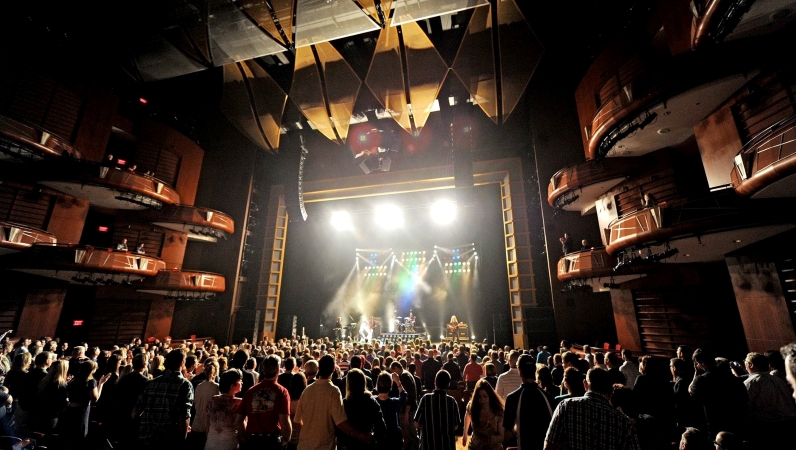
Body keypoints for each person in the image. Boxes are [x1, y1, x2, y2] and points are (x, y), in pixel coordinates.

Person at [544, 368, 640, 450]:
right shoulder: (623, 422)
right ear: (611, 391)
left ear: (585, 384)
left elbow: (549, 446)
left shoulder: (565, 406)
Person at [294, 354, 371, 450]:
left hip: (304, 446)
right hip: (324, 446)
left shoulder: (307, 390)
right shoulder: (333, 391)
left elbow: (297, 421)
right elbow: (341, 422)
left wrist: (308, 436)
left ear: (319, 368)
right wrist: (362, 436)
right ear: (334, 369)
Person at [134, 349, 195, 448]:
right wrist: (182, 440)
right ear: (182, 363)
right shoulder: (185, 385)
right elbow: (184, 417)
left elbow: (135, 413)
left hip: (147, 436)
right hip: (168, 439)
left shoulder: (151, 383)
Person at [236, 355, 291, 450]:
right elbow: (284, 421)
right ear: (278, 370)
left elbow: (238, 420)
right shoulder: (282, 392)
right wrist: (286, 438)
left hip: (252, 440)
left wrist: (243, 437)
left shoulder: (250, 391)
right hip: (271, 440)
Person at [742, 352, 796, 448]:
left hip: (769, 426)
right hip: (789, 422)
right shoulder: (778, 380)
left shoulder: (750, 383)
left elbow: (747, 406)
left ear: (751, 365)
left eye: (745, 362)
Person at [502, 354, 555, 450]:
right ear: (535, 370)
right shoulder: (548, 397)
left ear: (519, 370)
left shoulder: (513, 398)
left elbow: (507, 435)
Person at [340, 368, 387, 450]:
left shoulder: (345, 403)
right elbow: (381, 426)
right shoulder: (370, 401)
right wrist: (374, 439)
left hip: (349, 444)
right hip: (367, 443)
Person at [414, 370, 460, 450]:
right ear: (448, 384)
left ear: (435, 381)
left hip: (428, 445)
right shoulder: (451, 401)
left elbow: (417, 423)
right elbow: (456, 426)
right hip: (447, 445)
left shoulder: (426, 399)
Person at [205, 369, 243, 450]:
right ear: (232, 386)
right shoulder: (238, 403)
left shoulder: (213, 400)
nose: (242, 382)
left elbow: (207, 423)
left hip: (211, 442)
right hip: (228, 444)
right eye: (240, 380)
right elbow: (241, 426)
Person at [462, 379, 504, 450]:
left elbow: (502, 436)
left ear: (490, 397)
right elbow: (468, 415)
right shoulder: (473, 406)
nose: (482, 400)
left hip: (493, 448)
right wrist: (465, 433)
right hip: (475, 446)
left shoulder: (498, 412)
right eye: (479, 397)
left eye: (485, 396)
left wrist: (494, 439)